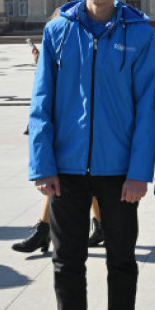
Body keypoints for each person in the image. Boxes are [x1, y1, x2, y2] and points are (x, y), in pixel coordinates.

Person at [25, 0, 155, 310]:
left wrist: (140, 172)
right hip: (66, 168)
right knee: (67, 261)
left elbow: (146, 109)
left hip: (119, 170)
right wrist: (42, 164)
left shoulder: (138, 33)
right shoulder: (58, 30)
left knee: (122, 261)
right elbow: (41, 101)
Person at [14, 31, 103, 253]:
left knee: (78, 180)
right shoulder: (61, 38)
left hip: (84, 126)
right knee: (66, 180)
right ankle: (47, 230)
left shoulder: (86, 39)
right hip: (63, 124)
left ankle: (45, 230)